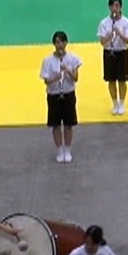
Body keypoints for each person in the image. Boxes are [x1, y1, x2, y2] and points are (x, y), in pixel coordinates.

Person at [40, 30, 81, 163]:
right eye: (57, 42)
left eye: (62, 42)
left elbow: (75, 78)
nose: (60, 45)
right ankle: (59, 150)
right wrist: (54, 77)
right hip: (54, 95)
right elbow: (45, 80)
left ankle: (68, 150)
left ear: (66, 43)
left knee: (69, 124)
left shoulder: (73, 58)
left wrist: (68, 70)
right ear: (54, 44)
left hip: (68, 94)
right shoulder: (47, 60)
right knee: (55, 125)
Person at [97, 0, 128, 116]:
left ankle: (122, 103)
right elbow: (102, 42)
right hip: (108, 52)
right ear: (109, 7)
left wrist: (119, 33)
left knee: (122, 80)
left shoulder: (126, 22)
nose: (114, 8)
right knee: (111, 80)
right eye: (112, 6)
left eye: (117, 6)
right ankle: (114, 103)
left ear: (120, 7)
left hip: (121, 52)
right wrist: (109, 35)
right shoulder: (104, 23)